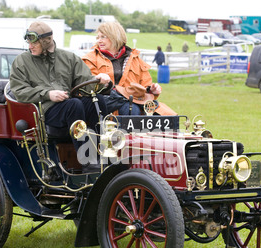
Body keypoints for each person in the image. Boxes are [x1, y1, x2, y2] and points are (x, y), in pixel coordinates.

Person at [10, 21, 111, 171]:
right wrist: (48, 94)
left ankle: (106, 154)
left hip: (67, 106)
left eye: (34, 43)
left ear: (45, 42)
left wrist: (101, 82)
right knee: (74, 104)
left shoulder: (68, 58)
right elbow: (19, 91)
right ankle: (88, 162)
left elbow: (85, 82)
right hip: (43, 111)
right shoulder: (22, 61)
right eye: (28, 42)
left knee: (97, 101)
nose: (30, 46)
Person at [82, 21, 175, 116]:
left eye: (103, 37)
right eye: (98, 37)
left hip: (132, 101)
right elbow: (87, 87)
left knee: (166, 114)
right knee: (132, 109)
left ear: (115, 37)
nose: (99, 41)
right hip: (104, 103)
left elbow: (145, 86)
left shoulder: (135, 59)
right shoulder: (90, 59)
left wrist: (151, 90)